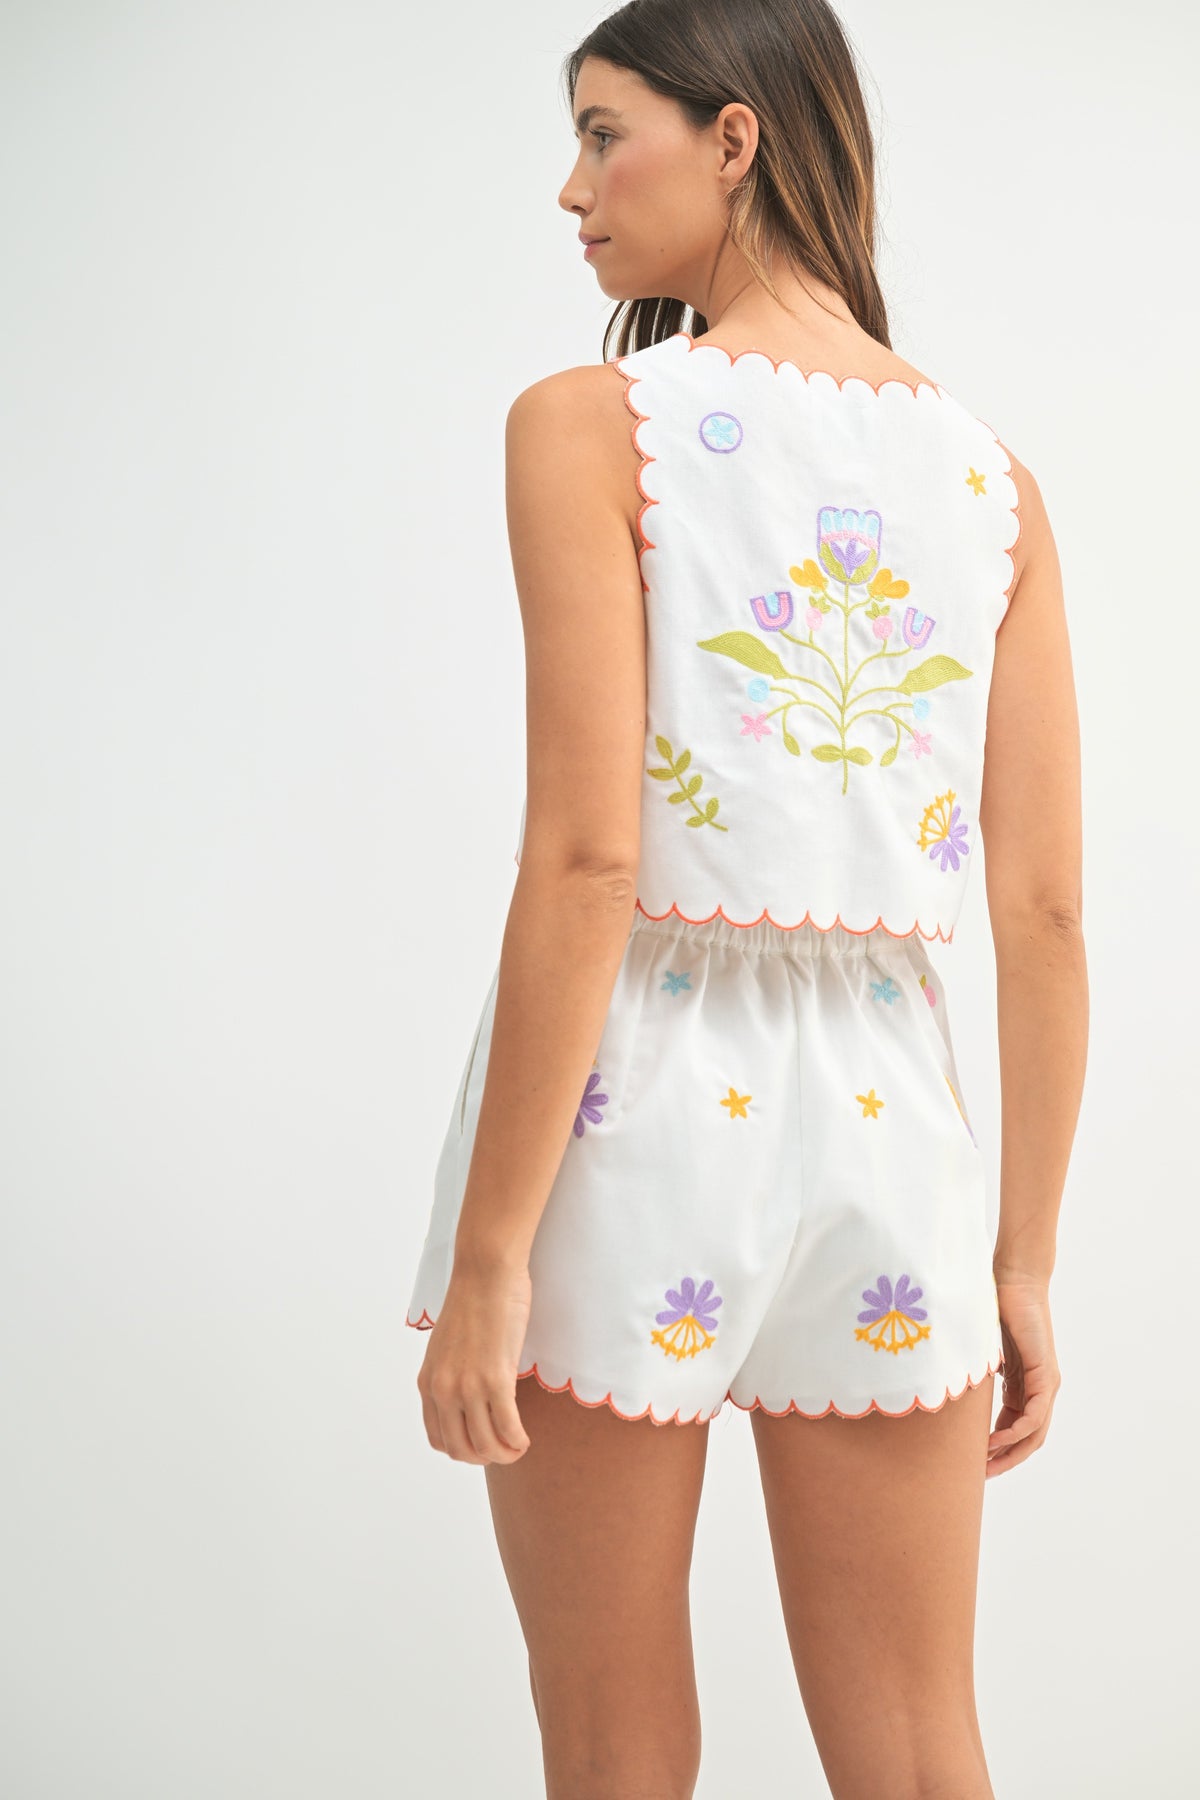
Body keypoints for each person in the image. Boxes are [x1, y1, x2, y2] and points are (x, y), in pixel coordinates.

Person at [406, 1, 1087, 1794]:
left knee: (612, 1736)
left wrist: (488, 1258)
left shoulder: (586, 426)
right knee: (920, 1742)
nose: (571, 190)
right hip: (895, 1129)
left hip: (628, 1114)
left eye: (601, 133)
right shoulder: (993, 483)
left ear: (734, 139)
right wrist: (1023, 1259)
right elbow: (1043, 917)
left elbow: (589, 861)